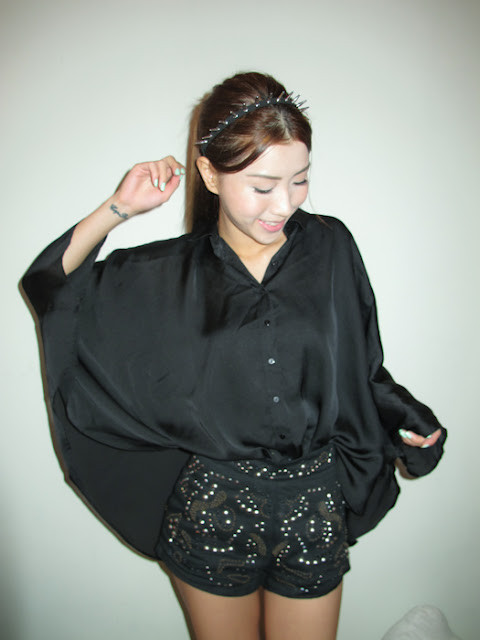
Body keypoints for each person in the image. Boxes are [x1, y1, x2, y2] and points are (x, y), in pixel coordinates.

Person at [23, 72, 446, 640]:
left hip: (315, 504)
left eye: (300, 180)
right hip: (214, 508)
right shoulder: (167, 274)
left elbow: (360, 366)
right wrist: (119, 208)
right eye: (263, 186)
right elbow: (51, 286)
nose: (285, 204)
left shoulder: (331, 246)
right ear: (209, 174)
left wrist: (408, 420)